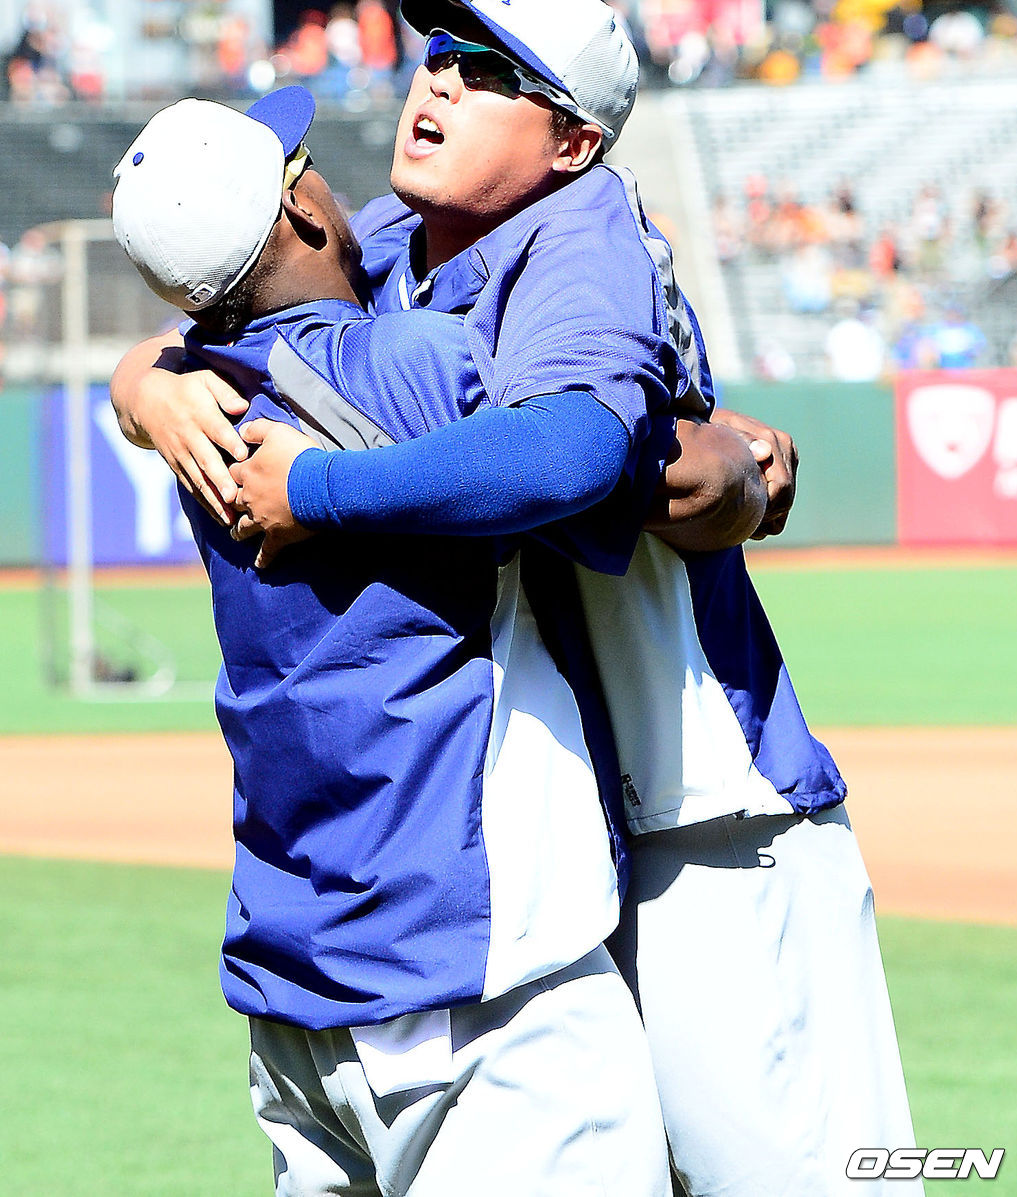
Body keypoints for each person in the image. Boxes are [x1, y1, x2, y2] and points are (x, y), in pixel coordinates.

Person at [113, 0, 918, 1195]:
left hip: (707, 813)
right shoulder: (388, 241)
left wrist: (723, 471)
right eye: (441, 51)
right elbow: (239, 290)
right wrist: (150, 380)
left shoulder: (584, 237)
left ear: (573, 142)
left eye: (492, 72)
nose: (440, 78)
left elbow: (580, 455)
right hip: (550, 841)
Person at [111, 78, 687, 1193]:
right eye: (307, 165)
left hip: (297, 1001)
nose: (338, 179)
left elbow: (172, 358)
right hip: (470, 992)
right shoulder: (420, 362)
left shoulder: (197, 394)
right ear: (303, 213)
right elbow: (573, 444)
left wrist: (142, 380)